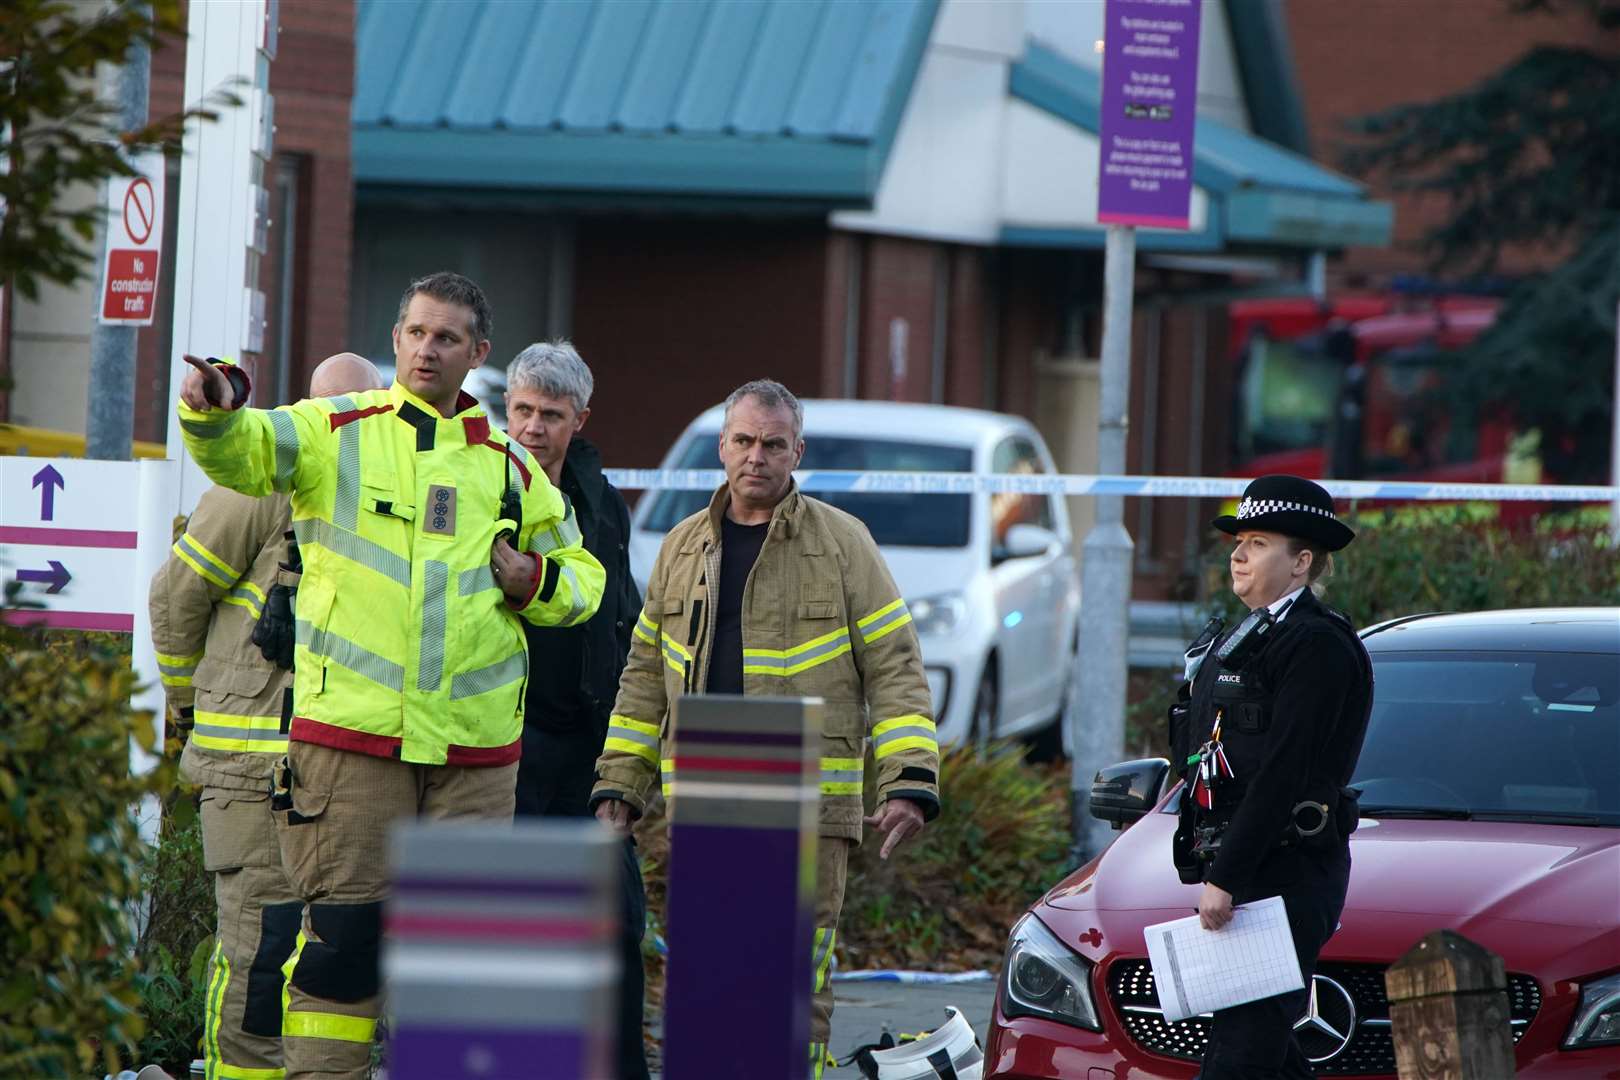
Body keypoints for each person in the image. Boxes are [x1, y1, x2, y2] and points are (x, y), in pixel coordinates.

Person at [174, 271, 606, 1080]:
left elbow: (585, 580)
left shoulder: (509, 466)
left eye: (446, 338)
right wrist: (212, 407)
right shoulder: (335, 427)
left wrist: (536, 583)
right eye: (414, 332)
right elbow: (243, 452)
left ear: (477, 354)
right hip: (353, 745)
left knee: (456, 970)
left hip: (474, 762)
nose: (425, 349)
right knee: (342, 951)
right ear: (397, 336)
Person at [590, 379, 942, 1078]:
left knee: (792, 983)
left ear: (796, 452)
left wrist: (909, 779)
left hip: (808, 807)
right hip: (705, 805)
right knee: (705, 979)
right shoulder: (683, 548)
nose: (757, 457)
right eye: (744, 441)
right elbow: (642, 677)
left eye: (773, 444)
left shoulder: (844, 545)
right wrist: (619, 785)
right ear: (723, 447)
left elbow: (896, 667)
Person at [149, 353, 382, 1080]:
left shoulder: (380, 492)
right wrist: (192, 710)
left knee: (332, 957)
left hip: (339, 771)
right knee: (259, 949)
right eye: (326, 410)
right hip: (252, 770)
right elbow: (174, 601)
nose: (338, 427)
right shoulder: (257, 488)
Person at [1169, 474, 1373, 1080]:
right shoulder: (1241, 640)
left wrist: (1227, 875)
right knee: (1267, 1057)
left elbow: (1285, 770)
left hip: (1286, 872)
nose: (1237, 554)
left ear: (1301, 561)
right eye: (1238, 540)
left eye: (1258, 542)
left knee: (1241, 1057)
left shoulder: (1317, 645)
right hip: (1249, 869)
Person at [504, 340, 649, 1080]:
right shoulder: (482, 486)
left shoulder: (600, 501)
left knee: (616, 923)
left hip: (589, 745)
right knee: (515, 931)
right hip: (506, 743)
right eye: (523, 410)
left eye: (550, 415)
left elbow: (622, 615)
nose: (533, 428)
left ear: (579, 418)